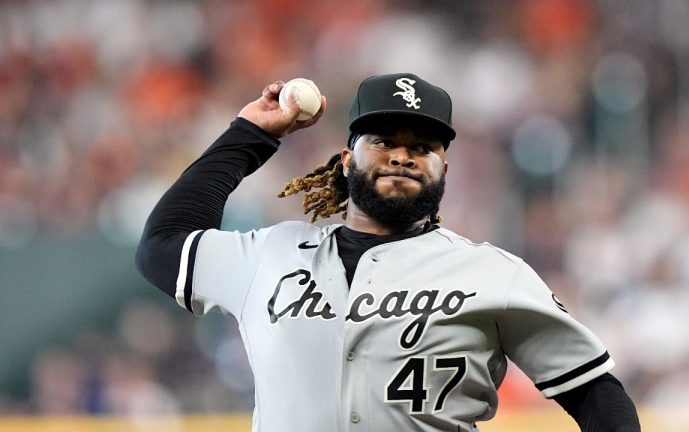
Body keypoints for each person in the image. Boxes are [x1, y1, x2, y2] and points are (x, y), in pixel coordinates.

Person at [136, 73, 641, 431]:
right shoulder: (272, 253)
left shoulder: (490, 273)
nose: (402, 154)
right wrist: (248, 137)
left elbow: (594, 392)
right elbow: (163, 244)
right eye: (382, 140)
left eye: (423, 146)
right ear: (347, 158)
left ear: (444, 168)